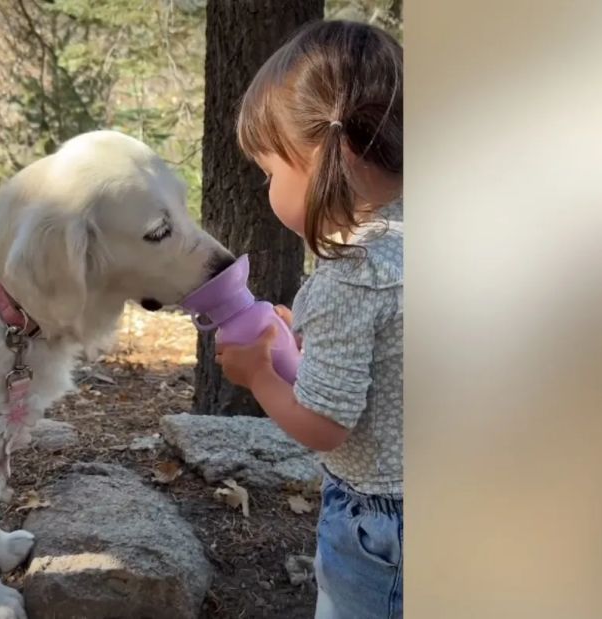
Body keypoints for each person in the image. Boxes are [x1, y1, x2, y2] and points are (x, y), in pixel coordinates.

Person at [215, 20, 404, 618]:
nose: (269, 189)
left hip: (381, 523)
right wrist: (309, 341)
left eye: (271, 172)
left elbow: (326, 428)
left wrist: (260, 378)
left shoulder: (351, 276)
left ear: (331, 153)